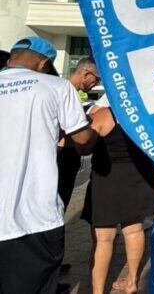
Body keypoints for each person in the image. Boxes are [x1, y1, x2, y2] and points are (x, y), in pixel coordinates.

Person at [0, 37, 100, 293]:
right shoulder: (56, 87)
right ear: (43, 63)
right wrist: (94, 131)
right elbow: (83, 141)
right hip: (34, 219)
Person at [82, 107, 154, 294]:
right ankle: (131, 281)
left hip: (108, 180)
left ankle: (98, 291)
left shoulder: (105, 114)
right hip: (138, 176)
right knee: (134, 229)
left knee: (104, 238)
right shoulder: (144, 111)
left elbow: (84, 146)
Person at [58, 57, 101, 210]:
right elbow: (81, 138)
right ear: (86, 74)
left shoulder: (68, 92)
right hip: (61, 155)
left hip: (66, 155)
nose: (96, 84)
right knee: (58, 205)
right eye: (96, 79)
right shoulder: (64, 92)